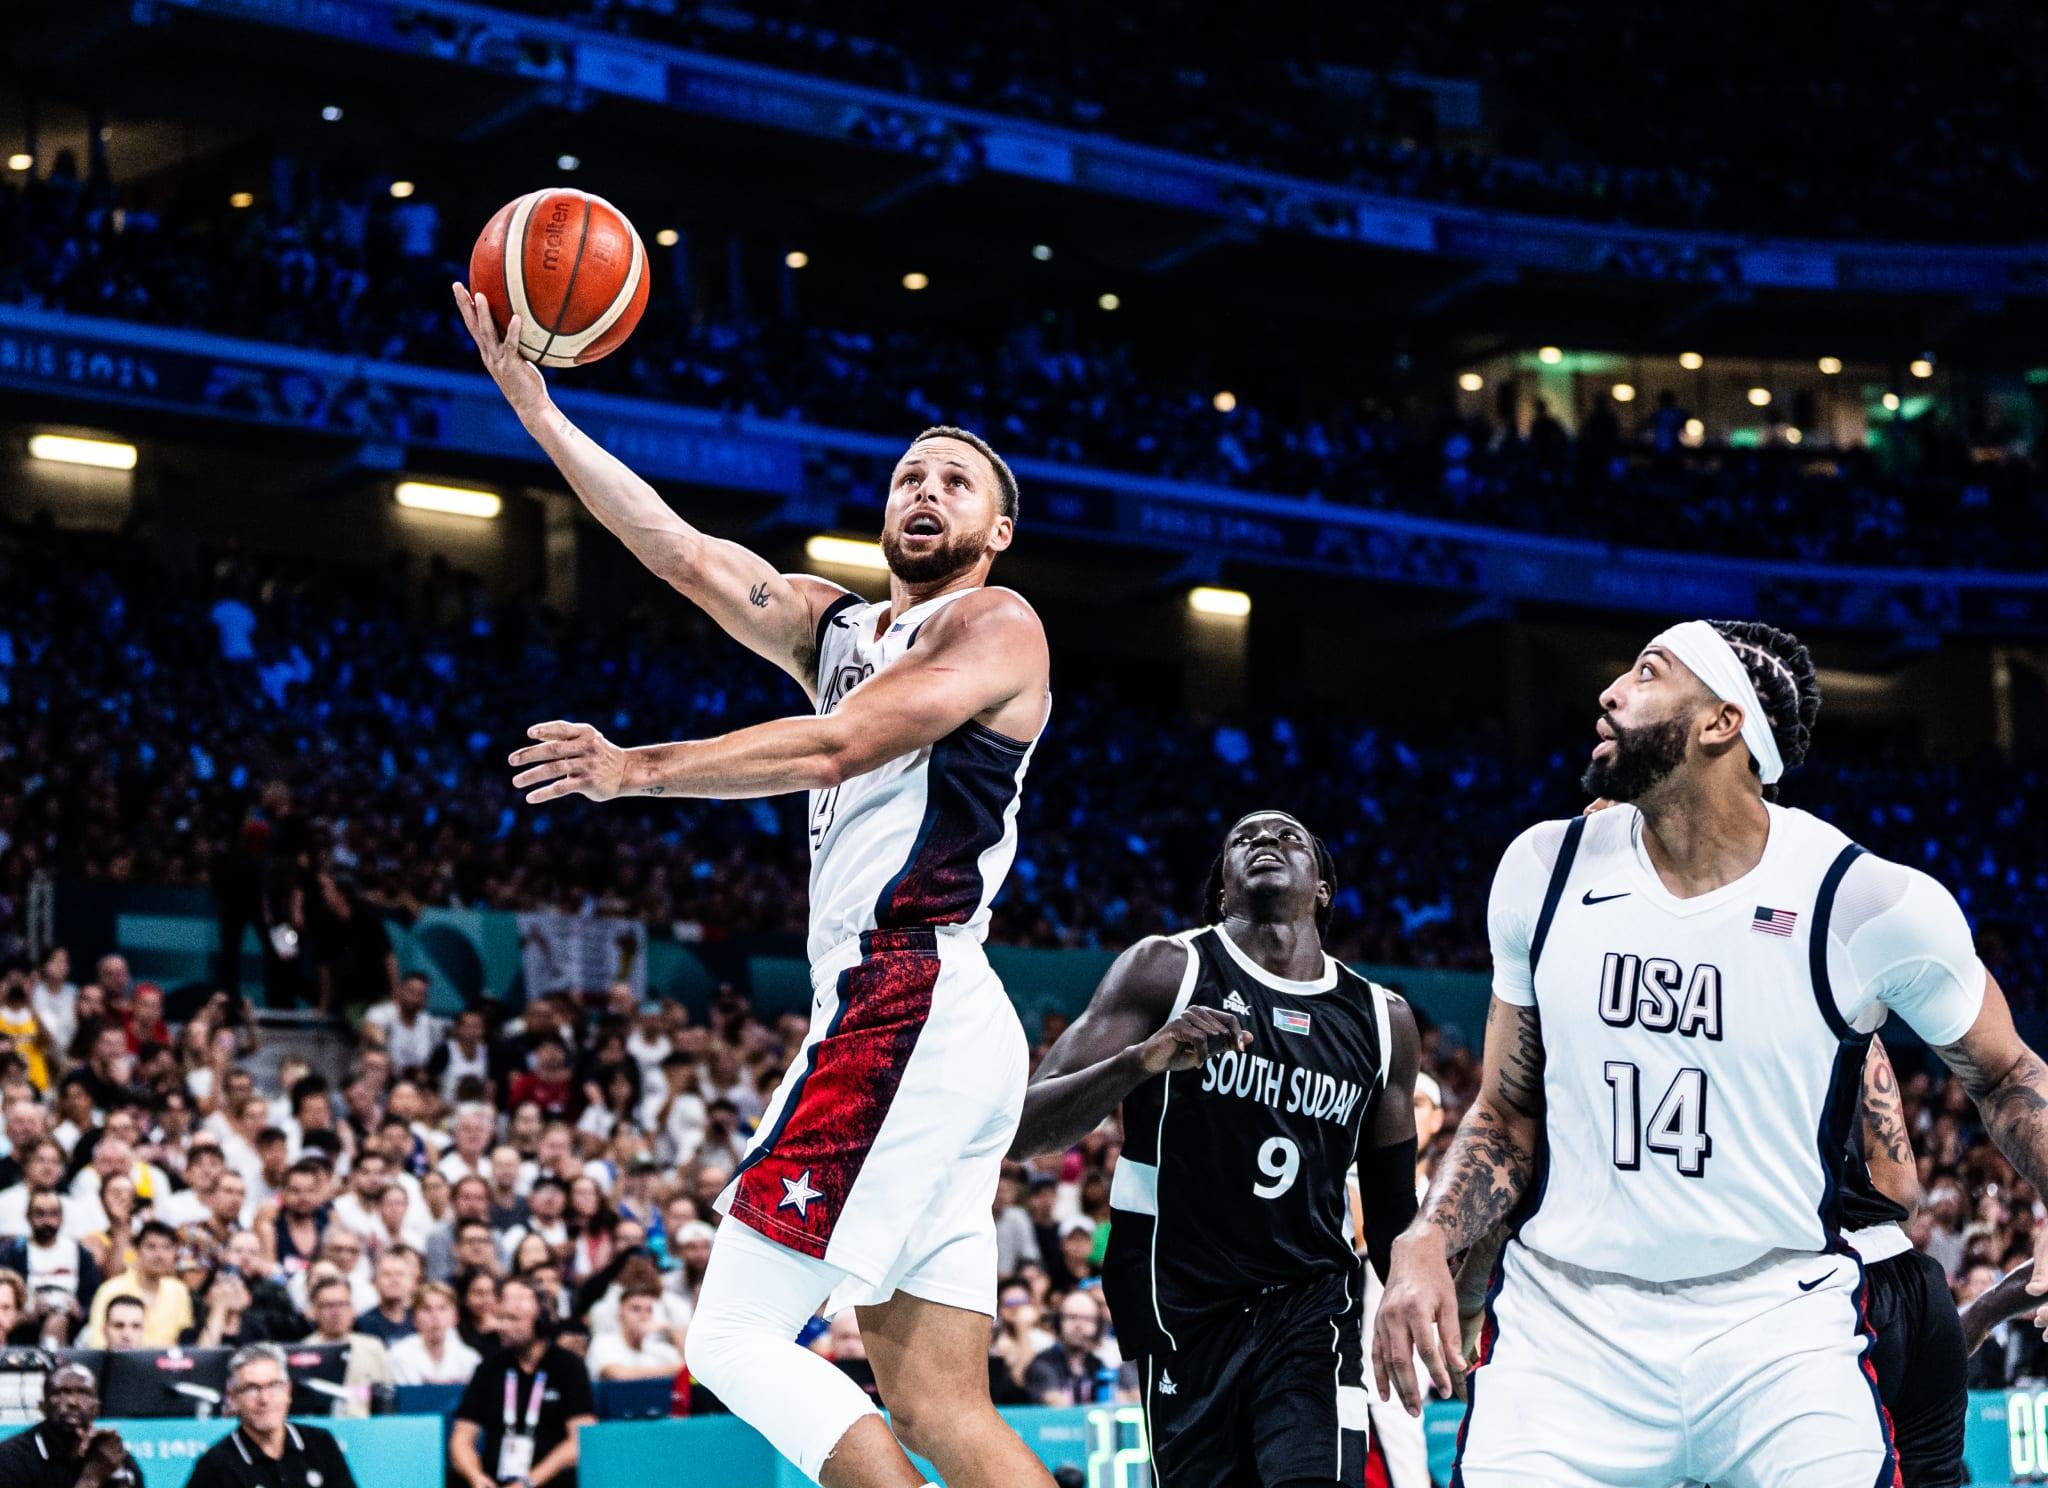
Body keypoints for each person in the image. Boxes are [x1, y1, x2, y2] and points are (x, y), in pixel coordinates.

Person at [461, 278, 1054, 1488]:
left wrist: (636, 770)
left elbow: (841, 746)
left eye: (953, 482)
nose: (922, 491)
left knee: (729, 1338)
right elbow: (680, 551)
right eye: (907, 476)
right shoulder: (837, 632)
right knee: (939, 1407)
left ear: (993, 531)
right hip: (934, 1018)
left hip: (907, 996)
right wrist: (539, 414)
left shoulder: (995, 624)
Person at [1375, 617, 2048, 1488]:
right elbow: (1507, 1113)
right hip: (1569, 1331)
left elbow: (2006, 1072)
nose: (1610, 692)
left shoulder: (1866, 903)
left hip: (1777, 1325)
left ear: (1721, 724)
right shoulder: (1542, 870)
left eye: (1647, 673)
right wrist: (1429, 1237)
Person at [1012, 810, 1416, 1487]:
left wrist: (1425, 1299)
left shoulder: (1382, 1019)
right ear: (1222, 891)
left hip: (1311, 1310)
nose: (1266, 841)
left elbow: (1394, 1206)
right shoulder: (1165, 969)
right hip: (1181, 1316)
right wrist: (1140, 1062)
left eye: (1290, 836)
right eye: (1244, 838)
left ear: (1321, 889)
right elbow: (1026, 1130)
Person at [450, 1274, 596, 1488]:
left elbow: (580, 1440)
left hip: (548, 1481)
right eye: (500, 1318)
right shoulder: (487, 1369)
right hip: (495, 1480)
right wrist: (476, 1477)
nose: (502, 1326)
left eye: (513, 1319)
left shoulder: (569, 1367)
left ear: (540, 1323)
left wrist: (528, 1482)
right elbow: (461, 1438)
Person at [185, 1343, 359, 1488]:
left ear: (287, 1391)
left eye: (274, 1385)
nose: (265, 1399)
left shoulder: (321, 1443)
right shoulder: (215, 1466)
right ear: (233, 1398)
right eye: (252, 1388)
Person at [0, 1362, 139, 1488]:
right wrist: (92, 1477)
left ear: (97, 1407)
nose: (73, 1402)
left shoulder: (109, 1453)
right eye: (61, 1392)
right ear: (42, 1406)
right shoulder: (11, 1457)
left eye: (83, 1392)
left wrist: (118, 1473)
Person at [84, 1221, 193, 1347]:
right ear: (136, 1250)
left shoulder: (179, 1290)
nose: (159, 1255)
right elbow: (97, 1341)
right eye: (151, 1247)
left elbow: (185, 1343)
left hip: (167, 1365)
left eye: (166, 1248)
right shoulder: (110, 1289)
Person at [301, 1274, 394, 1416]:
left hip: (369, 1426)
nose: (336, 1312)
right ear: (314, 1311)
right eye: (327, 1305)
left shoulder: (373, 1347)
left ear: (353, 1309)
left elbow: (388, 1396)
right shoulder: (304, 1351)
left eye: (342, 1304)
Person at [390, 1281, 483, 1386]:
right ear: (414, 1318)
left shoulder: (470, 1360)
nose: (435, 1316)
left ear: (455, 1317)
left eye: (442, 1308)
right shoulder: (399, 1355)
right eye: (427, 1309)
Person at [585, 1284, 684, 1381]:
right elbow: (618, 1375)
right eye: (636, 1309)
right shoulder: (604, 1342)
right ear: (620, 1315)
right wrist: (674, 1370)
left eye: (649, 1310)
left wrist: (670, 1330)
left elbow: (691, 1372)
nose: (643, 1316)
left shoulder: (659, 1349)